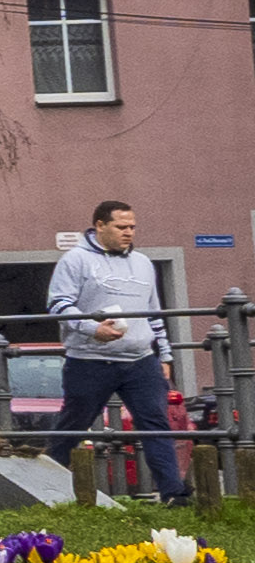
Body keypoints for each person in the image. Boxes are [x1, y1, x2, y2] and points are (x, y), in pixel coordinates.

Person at [47, 199, 185, 500]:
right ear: (100, 225)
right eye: (121, 227)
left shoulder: (144, 263)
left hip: (140, 361)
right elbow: (58, 304)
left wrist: (164, 355)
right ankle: (42, 484)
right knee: (74, 423)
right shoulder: (75, 260)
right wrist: (91, 328)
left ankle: (175, 494)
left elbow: (153, 312)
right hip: (89, 360)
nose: (129, 233)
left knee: (155, 422)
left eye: (133, 227)